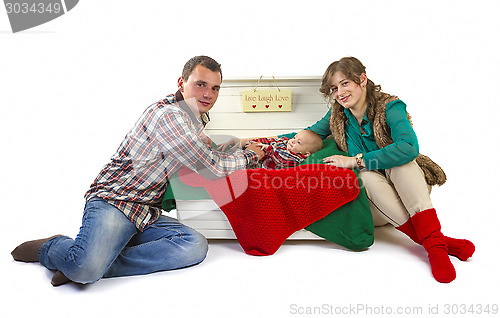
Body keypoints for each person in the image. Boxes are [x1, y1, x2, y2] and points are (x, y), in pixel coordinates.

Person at [11, 55, 265, 286]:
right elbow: (209, 167)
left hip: (145, 211)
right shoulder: (170, 116)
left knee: (194, 246)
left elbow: (202, 153)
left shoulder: (193, 118)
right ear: (181, 82)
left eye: (215, 88)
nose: (208, 93)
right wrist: (251, 156)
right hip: (115, 202)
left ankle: (97, 260)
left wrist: (239, 144)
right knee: (85, 271)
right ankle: (55, 248)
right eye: (201, 84)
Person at [227, 57, 474, 283]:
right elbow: (303, 135)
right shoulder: (338, 114)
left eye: (345, 84)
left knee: (401, 165)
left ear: (362, 80)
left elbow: (409, 147)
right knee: (367, 178)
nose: (340, 93)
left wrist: (355, 160)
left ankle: (434, 247)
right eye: (334, 89)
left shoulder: (390, 107)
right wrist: (248, 141)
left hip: (407, 180)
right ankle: (437, 244)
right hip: (376, 195)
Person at [246, 130, 323, 169]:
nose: (293, 141)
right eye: (294, 137)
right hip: (254, 160)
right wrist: (254, 143)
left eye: (299, 142)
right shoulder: (284, 142)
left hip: (263, 171)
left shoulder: (296, 158)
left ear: (306, 153)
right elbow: (270, 140)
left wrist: (269, 148)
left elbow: (283, 159)